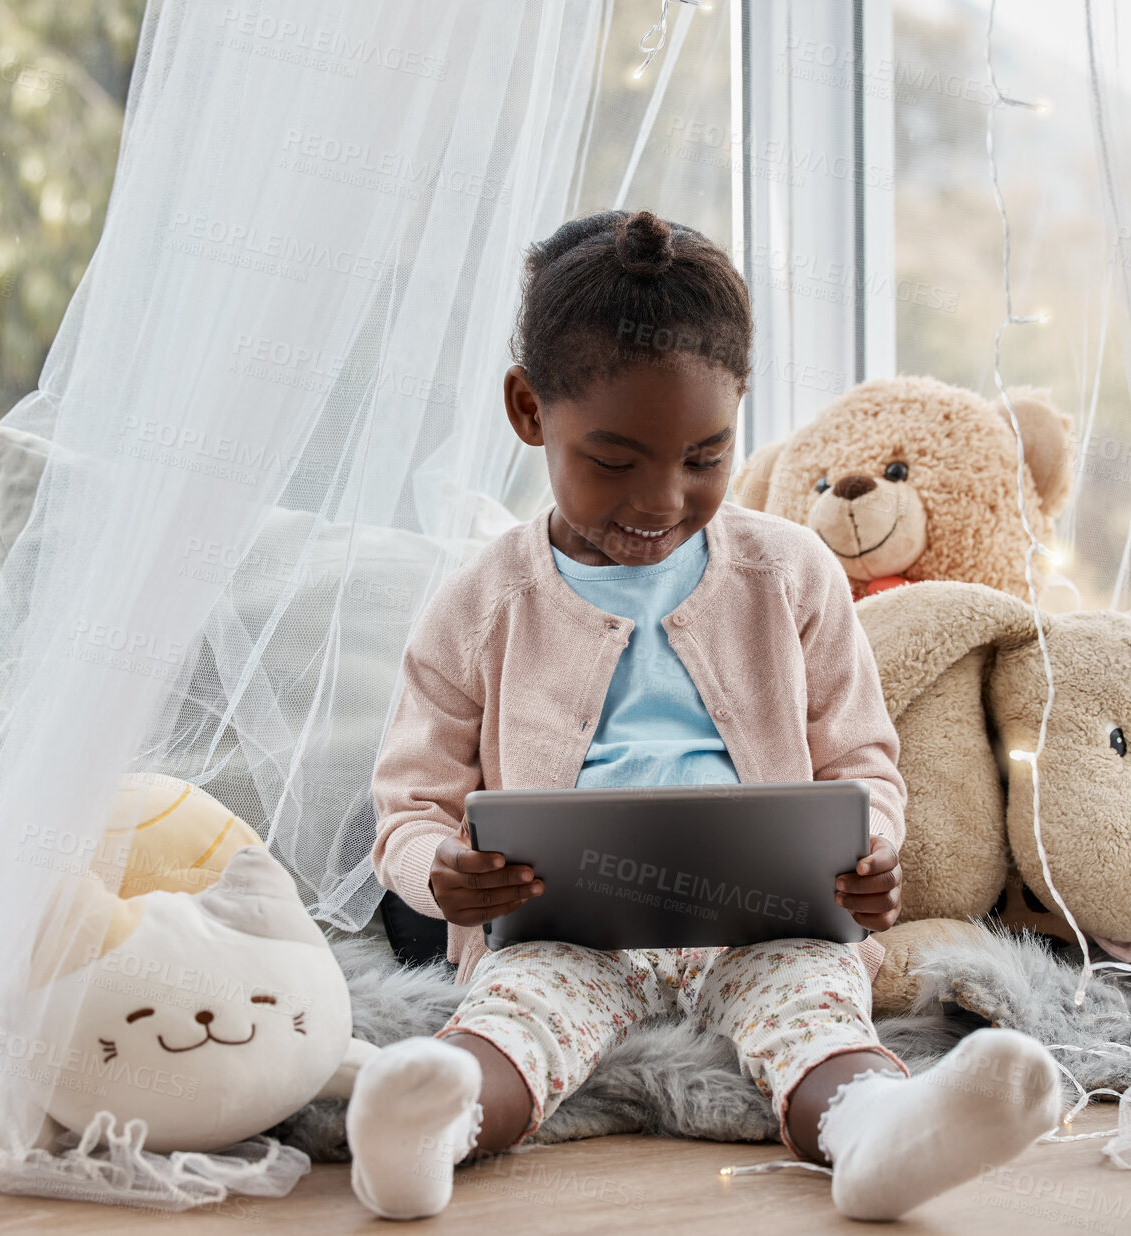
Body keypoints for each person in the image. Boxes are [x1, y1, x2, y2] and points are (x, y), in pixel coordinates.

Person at [351, 209, 1060, 1221]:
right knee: (515, 1021)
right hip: (567, 926)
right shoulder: (479, 602)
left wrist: (868, 851)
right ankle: (428, 1128)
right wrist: (443, 877)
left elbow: (861, 760)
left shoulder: (792, 572)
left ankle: (877, 1134)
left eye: (703, 457)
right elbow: (409, 808)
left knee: (816, 1015)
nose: (660, 498)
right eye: (613, 458)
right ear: (527, 410)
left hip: (760, 918)